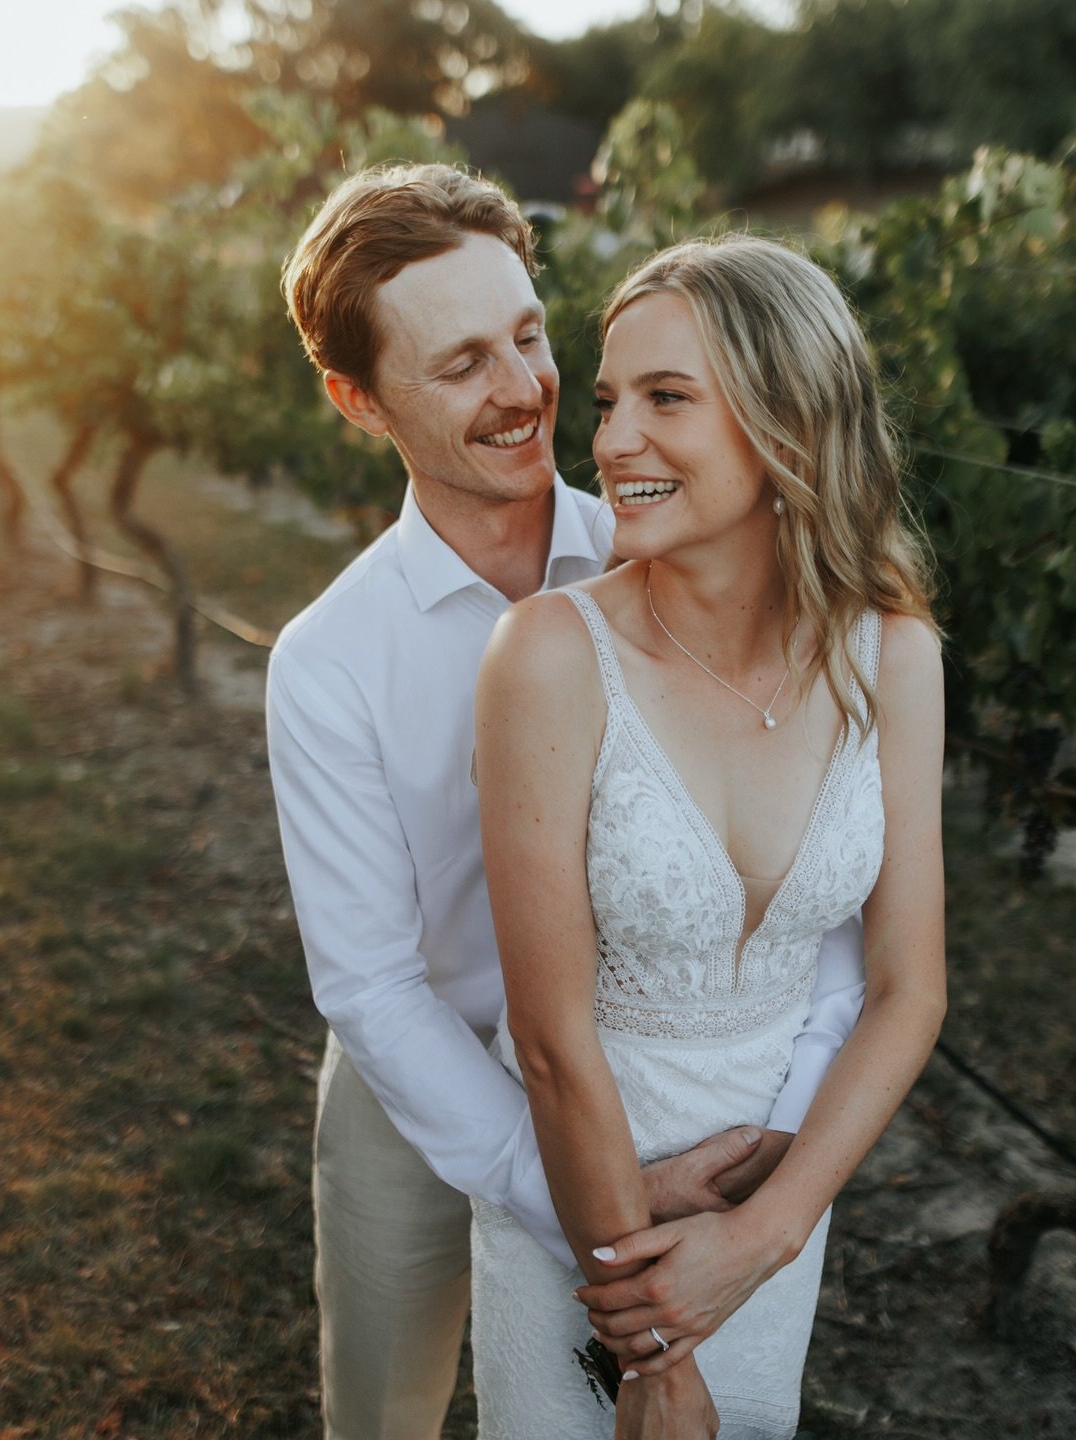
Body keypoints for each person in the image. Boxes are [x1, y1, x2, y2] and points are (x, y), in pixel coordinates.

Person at [266, 166, 869, 1440]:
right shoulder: (328, 662)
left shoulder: (674, 554)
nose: (525, 388)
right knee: (384, 1414)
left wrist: (752, 1141)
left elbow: (812, 853)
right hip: (428, 1102)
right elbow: (373, 984)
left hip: (663, 1088)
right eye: (464, 362)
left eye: (532, 336)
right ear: (357, 398)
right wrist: (572, 1190)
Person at [471, 234, 947, 1438]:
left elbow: (909, 991)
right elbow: (549, 1038)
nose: (611, 437)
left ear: (789, 421)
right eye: (611, 398)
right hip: (585, 1208)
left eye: (666, 398)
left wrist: (762, 1238)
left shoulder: (895, 655)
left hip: (775, 1203)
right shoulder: (549, 656)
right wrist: (651, 1349)